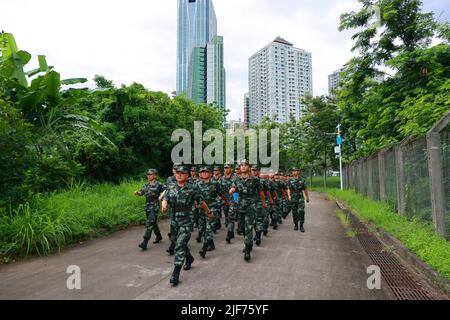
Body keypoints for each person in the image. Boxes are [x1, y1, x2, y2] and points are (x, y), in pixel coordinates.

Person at [162, 165, 214, 286]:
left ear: (187, 175)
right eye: (177, 173)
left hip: (187, 219)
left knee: (179, 245)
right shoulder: (171, 187)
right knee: (175, 239)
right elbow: (165, 198)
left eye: (182, 173)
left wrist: (209, 212)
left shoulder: (192, 188)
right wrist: (164, 205)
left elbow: (201, 202)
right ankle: (189, 257)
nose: (179, 174)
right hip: (174, 219)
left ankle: (175, 272)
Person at [229, 160, 267, 262]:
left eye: (245, 165)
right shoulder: (236, 179)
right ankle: (248, 243)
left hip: (251, 207)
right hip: (240, 207)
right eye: (241, 165)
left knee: (249, 227)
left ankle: (247, 250)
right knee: (242, 228)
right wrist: (232, 191)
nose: (243, 167)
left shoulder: (255, 180)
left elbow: (261, 192)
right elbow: (233, 188)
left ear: (249, 167)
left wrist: (264, 203)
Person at [134, 169, 166, 250]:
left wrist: (162, 197)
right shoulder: (146, 185)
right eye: (148, 174)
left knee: (149, 224)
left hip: (154, 206)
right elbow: (142, 192)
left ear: (155, 175)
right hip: (147, 206)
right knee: (153, 222)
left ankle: (144, 242)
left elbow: (166, 190)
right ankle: (159, 236)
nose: (148, 175)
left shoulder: (159, 184)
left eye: (150, 174)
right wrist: (137, 193)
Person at [197, 166, 223, 258]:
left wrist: (220, 204)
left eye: (206, 172)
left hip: (212, 209)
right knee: (203, 229)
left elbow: (221, 194)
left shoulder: (215, 183)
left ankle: (204, 248)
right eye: (202, 172)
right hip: (201, 210)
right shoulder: (197, 184)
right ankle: (211, 244)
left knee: (209, 229)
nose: (204, 173)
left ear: (210, 174)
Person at [287, 167, 310, 232]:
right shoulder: (290, 180)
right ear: (292, 172)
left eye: (296, 171)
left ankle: (301, 225)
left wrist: (307, 197)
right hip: (293, 198)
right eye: (293, 171)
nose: (294, 172)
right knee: (294, 212)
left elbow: (305, 189)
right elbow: (288, 188)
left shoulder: (302, 180)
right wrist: (289, 196)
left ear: (298, 172)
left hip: (300, 198)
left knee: (301, 211)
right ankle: (296, 225)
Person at [221, 163, 237, 243]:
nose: (226, 169)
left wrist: (236, 201)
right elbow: (220, 190)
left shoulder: (235, 178)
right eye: (225, 168)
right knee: (227, 216)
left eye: (228, 167)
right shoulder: (222, 179)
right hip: (225, 201)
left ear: (231, 169)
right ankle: (232, 231)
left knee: (231, 217)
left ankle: (229, 234)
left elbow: (237, 190)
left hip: (233, 201)